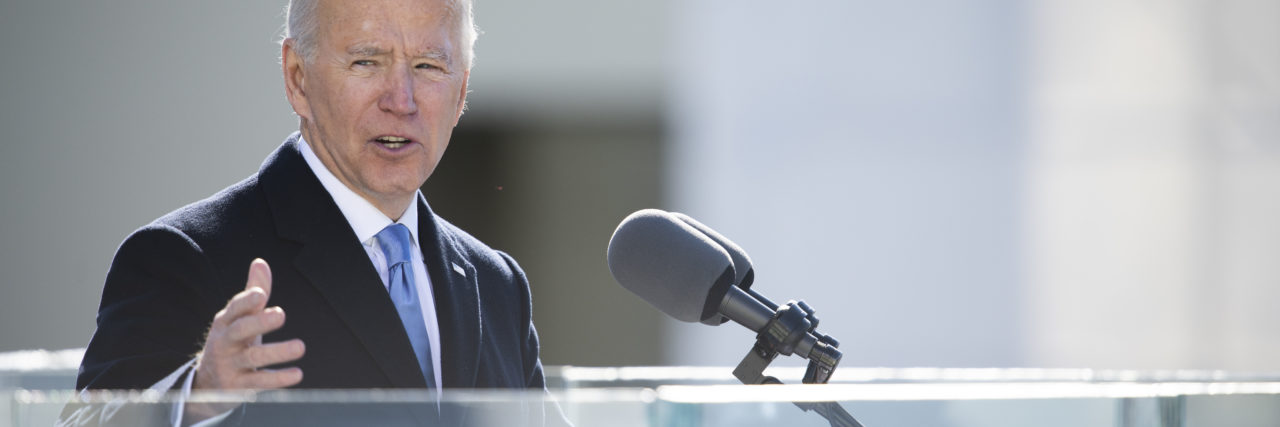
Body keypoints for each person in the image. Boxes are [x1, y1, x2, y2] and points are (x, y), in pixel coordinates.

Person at [68, 0, 556, 425]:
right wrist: (196, 397)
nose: (401, 100)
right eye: (367, 62)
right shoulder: (183, 257)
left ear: (461, 93)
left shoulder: (498, 285)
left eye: (428, 66)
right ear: (297, 78)